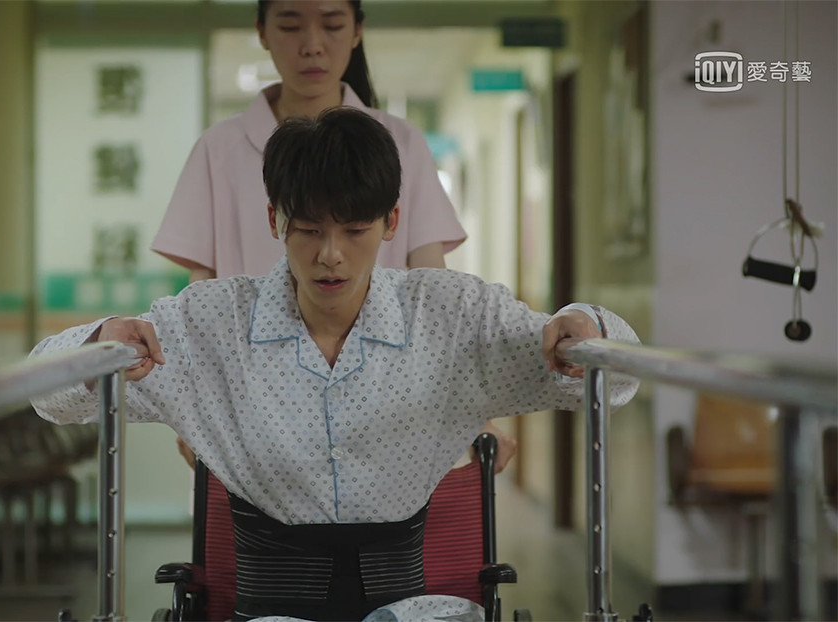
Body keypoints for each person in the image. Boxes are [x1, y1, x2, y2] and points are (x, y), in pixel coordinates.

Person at [32, 108, 640, 622]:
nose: (331, 256)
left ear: (391, 222)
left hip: (407, 607)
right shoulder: (211, 324)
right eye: (307, 229)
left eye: (354, 230)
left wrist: (584, 325)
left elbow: (617, 379)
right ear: (274, 219)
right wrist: (99, 345)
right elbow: (48, 392)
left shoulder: (450, 316)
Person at [151, 0, 517, 472]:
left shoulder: (400, 142)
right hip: (254, 420)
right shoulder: (218, 149)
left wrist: (472, 415)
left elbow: (433, 296)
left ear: (358, 30)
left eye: (332, 24)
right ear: (261, 31)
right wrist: (195, 415)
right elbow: (202, 299)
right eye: (290, 25)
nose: (312, 45)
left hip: (385, 413)